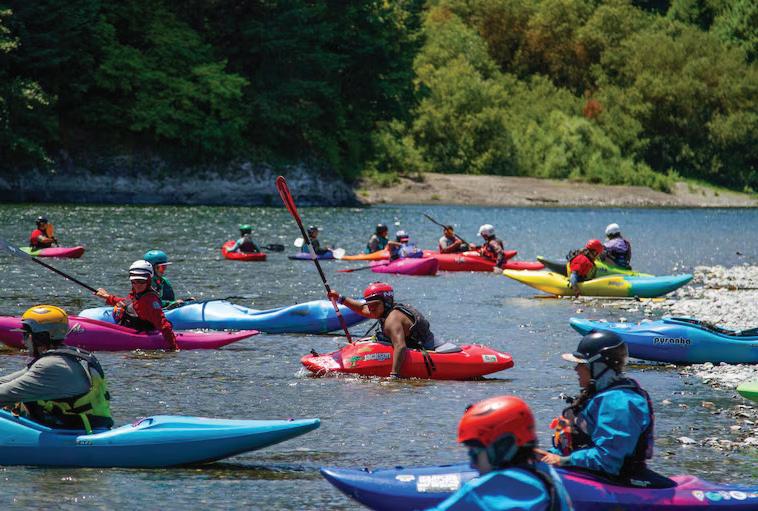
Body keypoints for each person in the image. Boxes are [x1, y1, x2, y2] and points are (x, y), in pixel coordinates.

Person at [541, 331, 670, 487]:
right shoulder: (598, 395)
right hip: (587, 473)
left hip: (617, 481)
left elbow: (609, 460)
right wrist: (547, 455)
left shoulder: (620, 403)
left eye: (582, 364)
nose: (576, 369)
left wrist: (564, 460)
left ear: (599, 366)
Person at [430, 395, 573, 511]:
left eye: (474, 452)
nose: (472, 464)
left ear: (502, 447)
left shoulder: (502, 486)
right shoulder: (544, 472)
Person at [0, 305, 113, 433]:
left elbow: (4, 393)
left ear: (40, 337)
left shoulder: (51, 365)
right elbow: (5, 381)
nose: (23, 341)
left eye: (26, 335)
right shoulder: (61, 358)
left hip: (76, 434)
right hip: (76, 427)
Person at [327, 282, 436, 378]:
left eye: (375, 304)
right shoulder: (382, 310)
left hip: (426, 348)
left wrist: (394, 375)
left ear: (387, 302)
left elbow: (400, 347)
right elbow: (362, 308)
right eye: (369, 305)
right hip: (411, 343)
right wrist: (340, 298)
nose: (371, 309)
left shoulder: (392, 320)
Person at [95, 260, 178, 350]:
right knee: (121, 307)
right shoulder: (136, 293)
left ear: (148, 280)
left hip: (141, 333)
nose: (137, 285)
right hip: (128, 330)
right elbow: (127, 302)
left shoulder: (150, 300)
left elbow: (164, 325)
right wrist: (107, 296)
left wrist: (173, 349)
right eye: (134, 281)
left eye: (141, 281)